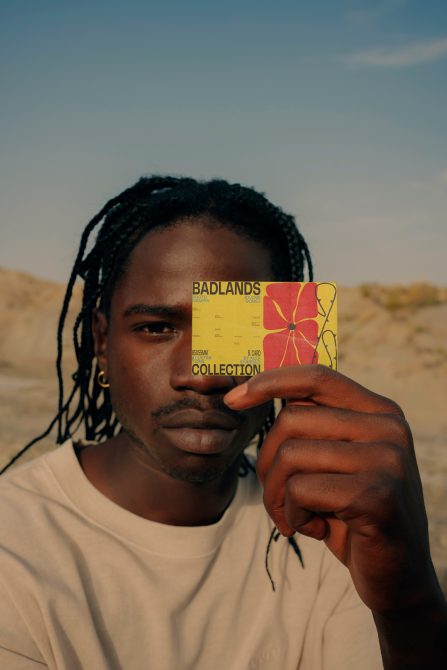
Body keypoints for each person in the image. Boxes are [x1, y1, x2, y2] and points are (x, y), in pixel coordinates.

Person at [0, 175, 445, 670]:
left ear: (285, 344)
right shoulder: (12, 548)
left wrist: (409, 603)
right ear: (102, 343)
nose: (203, 375)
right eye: (156, 329)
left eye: (237, 331)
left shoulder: (335, 526)